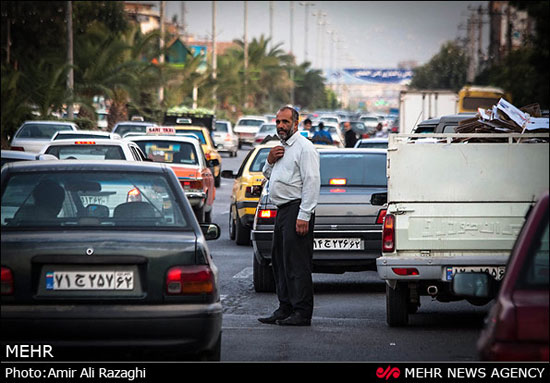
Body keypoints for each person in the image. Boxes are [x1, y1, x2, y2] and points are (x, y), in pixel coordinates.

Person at [258, 105, 320, 326]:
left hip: (296, 209)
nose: (281, 126)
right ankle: (285, 308)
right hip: (283, 211)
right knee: (280, 262)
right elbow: (268, 175)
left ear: (296, 123)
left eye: (285, 122)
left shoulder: (305, 148)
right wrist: (269, 160)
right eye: (278, 122)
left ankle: (302, 312)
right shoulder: (280, 148)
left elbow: (312, 182)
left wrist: (304, 215)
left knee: (296, 264)